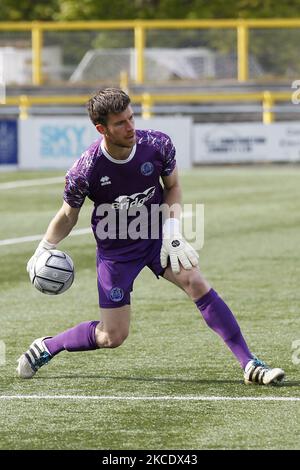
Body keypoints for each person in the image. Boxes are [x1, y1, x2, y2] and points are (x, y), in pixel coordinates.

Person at [17, 88, 284, 386]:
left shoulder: (157, 144)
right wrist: (44, 248)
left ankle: (249, 363)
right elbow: (68, 214)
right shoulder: (85, 170)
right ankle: (48, 346)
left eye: (131, 117)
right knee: (112, 335)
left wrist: (172, 232)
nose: (131, 127)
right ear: (101, 129)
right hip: (115, 252)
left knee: (195, 281)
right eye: (121, 123)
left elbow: (173, 187)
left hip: (156, 236)